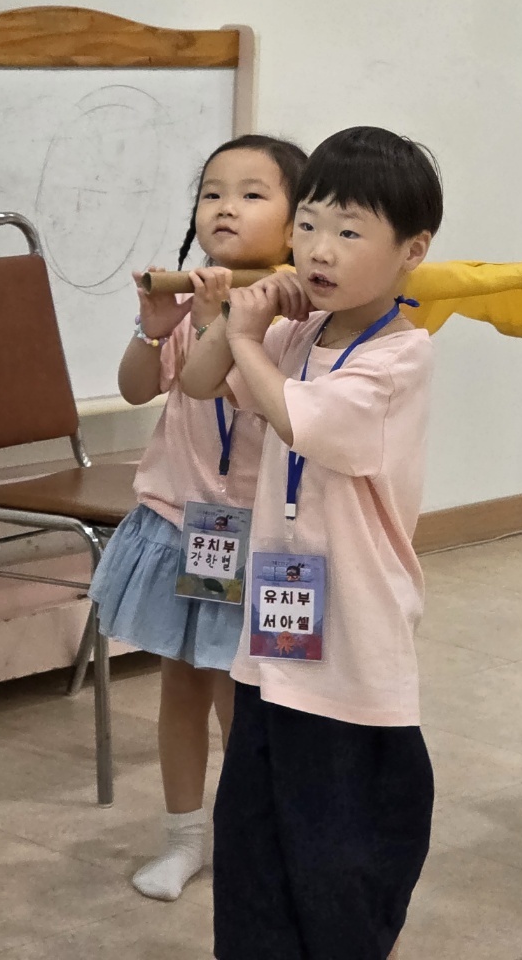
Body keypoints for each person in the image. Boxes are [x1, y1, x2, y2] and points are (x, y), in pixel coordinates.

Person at [181, 125, 442, 960]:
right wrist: (232, 318)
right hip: (276, 642)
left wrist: (246, 337)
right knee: (253, 844)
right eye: (310, 224)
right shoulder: (299, 334)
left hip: (354, 649)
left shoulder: (401, 356)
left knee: (341, 854)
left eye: (350, 231)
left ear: (413, 251)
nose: (320, 249)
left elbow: (300, 418)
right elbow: (196, 380)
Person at [88, 134, 307, 901]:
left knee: (245, 698)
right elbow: (138, 387)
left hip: (259, 540)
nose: (225, 207)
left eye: (252, 194)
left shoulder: (293, 315)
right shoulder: (193, 303)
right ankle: (184, 839)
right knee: (180, 685)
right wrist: (155, 326)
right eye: (212, 192)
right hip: (180, 523)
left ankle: (252, 838)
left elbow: (231, 393)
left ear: (296, 223)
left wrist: (221, 323)